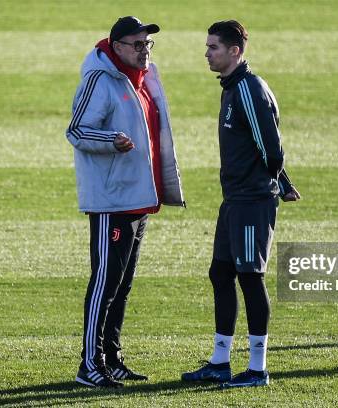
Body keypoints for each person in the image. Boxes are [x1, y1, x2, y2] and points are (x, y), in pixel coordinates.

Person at [66, 16, 184, 388]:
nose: (144, 50)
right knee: (105, 282)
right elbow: (76, 130)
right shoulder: (100, 79)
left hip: (138, 198)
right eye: (137, 44)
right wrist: (111, 139)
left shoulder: (144, 79)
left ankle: (112, 359)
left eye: (148, 44)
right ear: (116, 47)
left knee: (122, 284)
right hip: (112, 200)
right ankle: (89, 364)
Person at [181, 20, 300, 388]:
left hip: (251, 201)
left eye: (213, 47)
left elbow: (271, 147)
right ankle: (219, 362)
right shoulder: (232, 87)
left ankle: (257, 369)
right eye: (207, 46)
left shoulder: (248, 89)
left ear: (235, 51)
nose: (207, 53)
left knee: (250, 278)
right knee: (220, 273)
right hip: (233, 201)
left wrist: (278, 182)